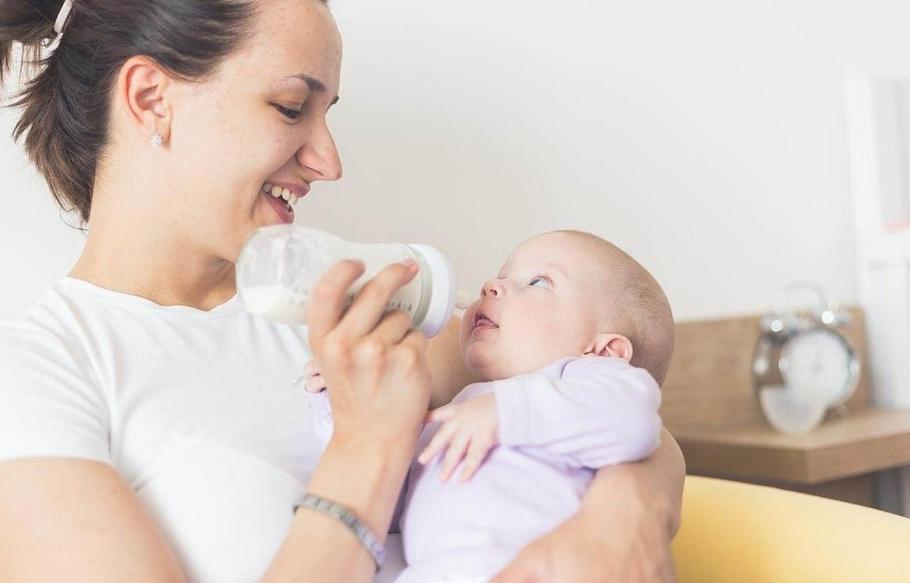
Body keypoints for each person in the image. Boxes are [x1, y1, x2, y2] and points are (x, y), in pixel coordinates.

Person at [0, 1, 686, 582]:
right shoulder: (39, 380)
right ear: (151, 98)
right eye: (291, 106)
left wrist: (625, 518)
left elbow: (610, 398)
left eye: (326, 113)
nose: (329, 161)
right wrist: (367, 447)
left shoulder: (346, 310)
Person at [303, 230, 674, 583]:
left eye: (538, 282)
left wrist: (505, 412)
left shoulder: (583, 386)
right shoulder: (462, 408)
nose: (490, 286)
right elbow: (385, 502)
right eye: (500, 276)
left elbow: (634, 419)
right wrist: (341, 399)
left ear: (603, 352)